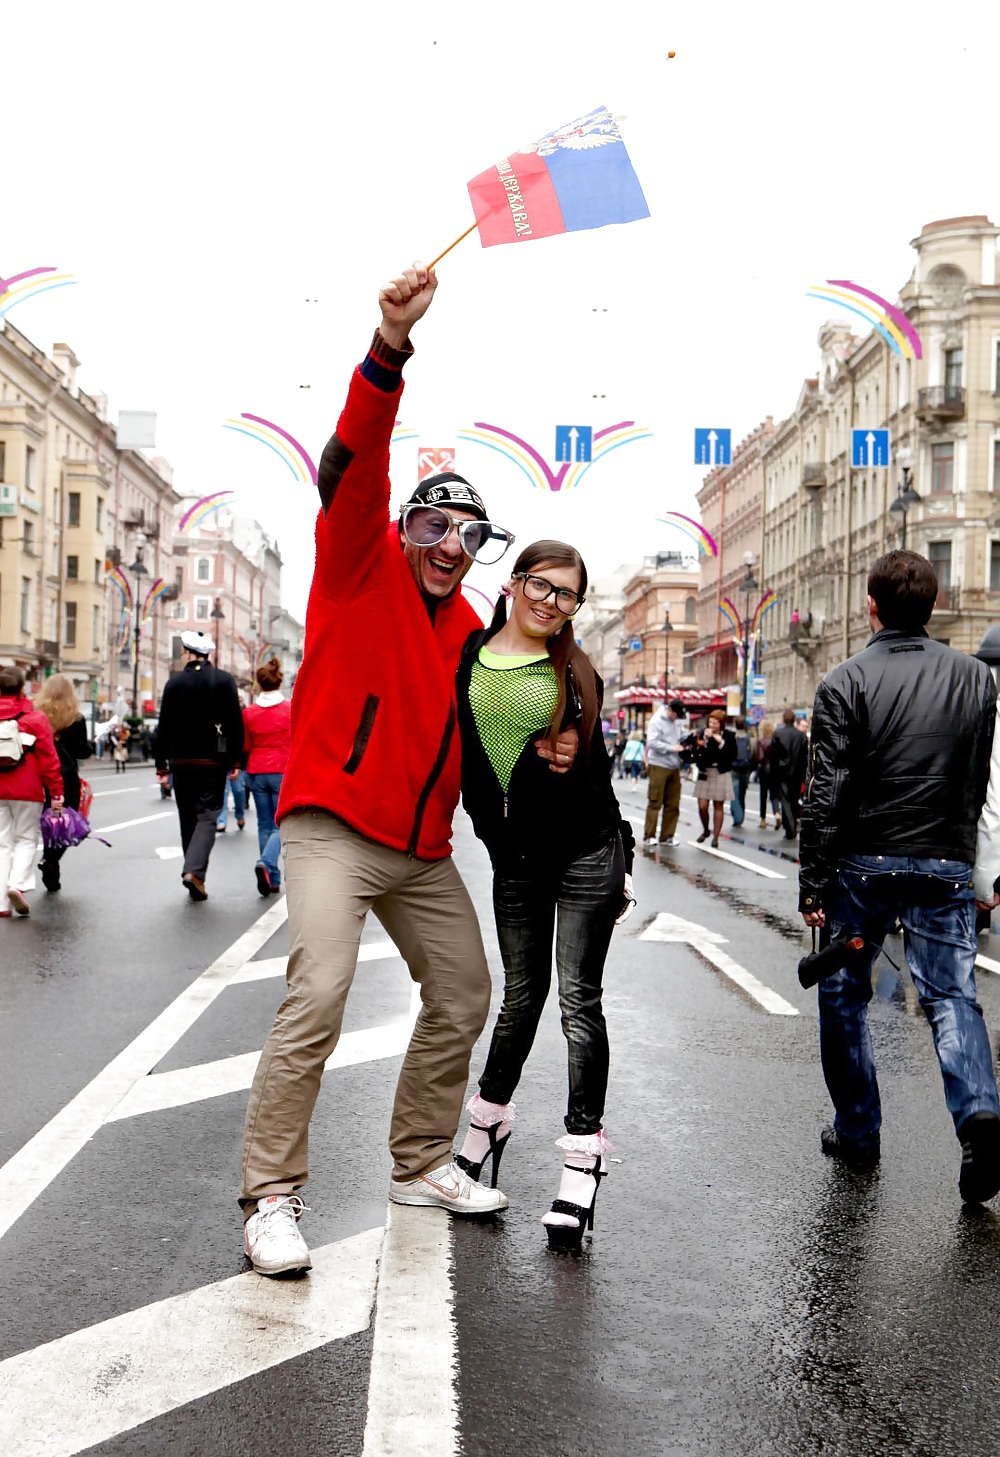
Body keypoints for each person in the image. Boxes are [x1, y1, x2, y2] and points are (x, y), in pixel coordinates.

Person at [238, 261, 579, 1278]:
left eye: (465, 533)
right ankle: (272, 1195)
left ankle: (420, 1160)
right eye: (429, 523)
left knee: (466, 990)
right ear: (401, 527)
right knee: (320, 991)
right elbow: (354, 463)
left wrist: (548, 752)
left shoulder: (472, 628)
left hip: (420, 850)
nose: (445, 542)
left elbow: (492, 736)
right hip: (334, 826)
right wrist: (389, 347)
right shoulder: (356, 567)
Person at [800, 550, 1000, 1201]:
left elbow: (825, 792)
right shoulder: (977, 679)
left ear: (871, 605)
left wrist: (813, 883)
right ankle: (977, 1116)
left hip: (864, 865)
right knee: (951, 995)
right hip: (945, 862)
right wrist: (978, 867)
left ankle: (857, 1130)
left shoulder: (843, 680)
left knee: (844, 994)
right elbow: (981, 784)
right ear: (935, 605)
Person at [454, 540, 635, 1250]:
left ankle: (582, 1158)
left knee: (576, 1002)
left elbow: (594, 771)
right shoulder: (469, 653)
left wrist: (618, 852)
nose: (550, 601)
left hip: (585, 851)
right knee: (520, 996)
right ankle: (487, 1119)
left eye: (566, 594)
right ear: (514, 581)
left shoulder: (577, 668)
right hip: (514, 857)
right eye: (541, 584)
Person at [154, 630, 244, 902]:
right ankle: (194, 871)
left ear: (189, 653)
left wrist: (161, 766)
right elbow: (234, 723)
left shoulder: (174, 683)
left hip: (181, 762)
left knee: (187, 818)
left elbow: (163, 728)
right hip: (213, 760)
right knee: (207, 816)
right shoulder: (224, 680)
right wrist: (234, 759)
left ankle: (194, 873)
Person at [0, 666, 63, 917]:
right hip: (27, 790)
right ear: (22, 688)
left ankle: (1, 905)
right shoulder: (35, 719)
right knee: (25, 839)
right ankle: (16, 885)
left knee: (1, 844)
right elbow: (49, 759)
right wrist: (57, 792)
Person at [34, 674, 93, 893]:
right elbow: (81, 752)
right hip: (66, 779)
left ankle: (50, 866)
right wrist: (90, 746)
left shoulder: (36, 714)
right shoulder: (75, 718)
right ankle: (50, 859)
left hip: (40, 776)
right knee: (66, 824)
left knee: (45, 821)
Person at [242, 656, 291, 896]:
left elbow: (245, 744)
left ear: (259, 685)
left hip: (257, 771)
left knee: (263, 824)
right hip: (282, 769)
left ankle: (272, 879)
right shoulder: (290, 709)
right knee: (280, 824)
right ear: (279, 683)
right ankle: (268, 864)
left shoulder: (249, 713)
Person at [686, 709, 737, 848]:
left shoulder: (729, 736)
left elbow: (732, 755)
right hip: (705, 771)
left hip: (721, 771)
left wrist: (721, 743)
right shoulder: (703, 734)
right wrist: (705, 741)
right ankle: (705, 830)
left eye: (715, 723)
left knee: (718, 805)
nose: (712, 725)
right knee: (702, 805)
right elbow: (697, 752)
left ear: (721, 724)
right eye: (710, 722)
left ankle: (716, 837)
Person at [643, 698, 687, 846]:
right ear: (670, 710)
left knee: (673, 803)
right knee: (655, 801)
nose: (677, 718)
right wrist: (671, 748)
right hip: (659, 764)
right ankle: (650, 835)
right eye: (676, 715)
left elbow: (681, 736)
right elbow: (652, 742)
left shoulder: (678, 721)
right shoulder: (656, 721)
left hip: (674, 765)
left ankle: (667, 835)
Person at [770, 707, 808, 839]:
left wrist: (773, 772)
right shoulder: (801, 736)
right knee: (793, 799)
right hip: (797, 772)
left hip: (782, 772)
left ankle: (790, 827)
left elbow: (773, 755)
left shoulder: (778, 734)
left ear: (783, 720)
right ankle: (790, 826)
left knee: (785, 800)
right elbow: (804, 756)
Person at [729, 716, 755, 828]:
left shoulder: (731, 737)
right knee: (742, 793)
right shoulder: (750, 738)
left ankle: (738, 817)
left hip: (733, 769)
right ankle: (741, 815)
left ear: (735, 724)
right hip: (745, 769)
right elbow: (753, 753)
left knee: (734, 793)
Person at [755, 718, 781, 830]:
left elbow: (760, 758)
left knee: (763, 795)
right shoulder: (776, 741)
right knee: (774, 794)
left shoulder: (761, 741)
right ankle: (777, 814)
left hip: (764, 771)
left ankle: (763, 819)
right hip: (775, 771)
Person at [216, 766, 248, 832]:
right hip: (223, 765)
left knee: (239, 791)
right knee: (223, 792)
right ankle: (221, 820)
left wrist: (237, 766)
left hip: (238, 765)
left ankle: (240, 815)